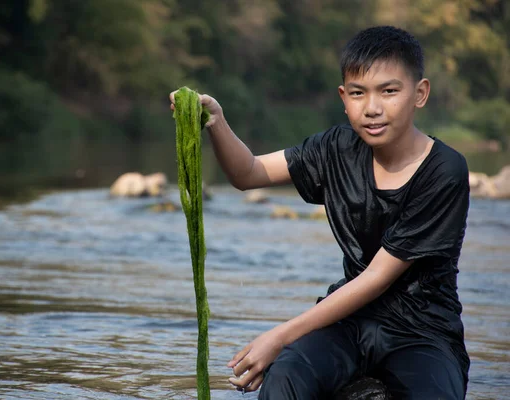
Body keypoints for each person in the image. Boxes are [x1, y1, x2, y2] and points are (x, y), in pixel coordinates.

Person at [169, 26, 470, 399]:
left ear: (419, 93)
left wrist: (279, 335)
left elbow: (377, 276)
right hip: (349, 323)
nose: (372, 107)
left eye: (389, 91)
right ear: (344, 98)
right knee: (285, 378)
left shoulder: (445, 170)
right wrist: (216, 121)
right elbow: (247, 173)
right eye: (359, 93)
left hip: (423, 333)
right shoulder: (336, 148)